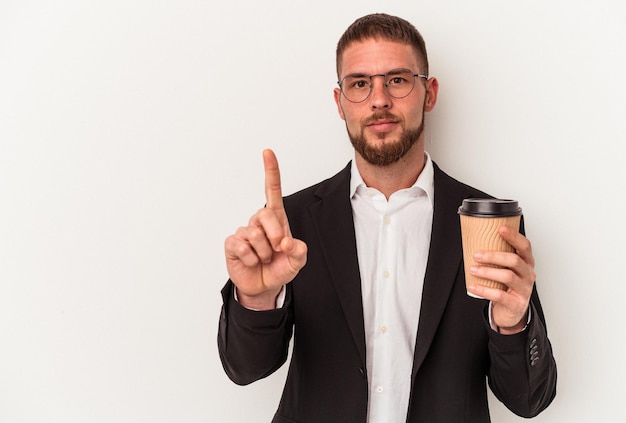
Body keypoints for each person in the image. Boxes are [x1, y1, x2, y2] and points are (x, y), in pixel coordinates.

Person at [218, 13, 557, 423]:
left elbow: (528, 400)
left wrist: (512, 325)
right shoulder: (291, 223)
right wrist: (255, 300)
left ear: (429, 93)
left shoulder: (489, 224)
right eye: (360, 84)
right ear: (340, 103)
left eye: (397, 80)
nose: (379, 99)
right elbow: (245, 369)